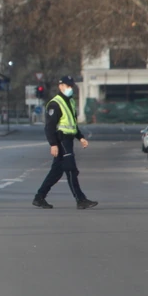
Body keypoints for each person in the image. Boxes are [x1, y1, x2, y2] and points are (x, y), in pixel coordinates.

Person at [32, 75, 98, 210]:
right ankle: (80, 200)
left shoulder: (71, 102)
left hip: (68, 140)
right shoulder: (55, 103)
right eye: (68, 86)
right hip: (61, 140)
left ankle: (39, 197)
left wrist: (81, 137)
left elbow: (72, 124)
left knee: (56, 172)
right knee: (71, 170)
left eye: (71, 86)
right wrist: (53, 144)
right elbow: (49, 127)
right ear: (60, 86)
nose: (70, 88)